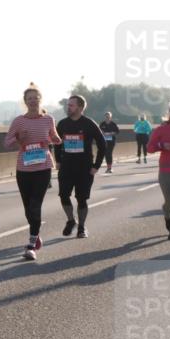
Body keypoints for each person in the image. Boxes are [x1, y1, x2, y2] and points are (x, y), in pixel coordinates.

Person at [5, 84, 61, 260]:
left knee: (36, 204)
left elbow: (54, 137)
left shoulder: (48, 119)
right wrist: (18, 139)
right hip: (24, 167)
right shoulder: (18, 121)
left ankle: (31, 244)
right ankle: (36, 234)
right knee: (28, 207)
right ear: (25, 102)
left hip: (43, 166)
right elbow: (7, 142)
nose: (33, 101)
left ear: (40, 100)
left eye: (35, 98)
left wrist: (56, 139)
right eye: (29, 98)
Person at [54, 95, 106, 238]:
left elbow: (102, 145)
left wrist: (96, 166)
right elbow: (57, 144)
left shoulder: (89, 124)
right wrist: (57, 160)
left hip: (84, 168)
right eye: (68, 105)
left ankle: (82, 227)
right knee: (63, 195)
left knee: (81, 199)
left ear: (80, 107)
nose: (68, 107)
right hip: (66, 166)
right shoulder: (62, 124)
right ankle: (71, 220)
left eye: (71, 105)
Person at [147, 100, 170, 240]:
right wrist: (161, 145)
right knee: (168, 202)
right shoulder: (161, 130)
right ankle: (167, 216)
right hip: (165, 170)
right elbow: (149, 148)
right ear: (169, 114)